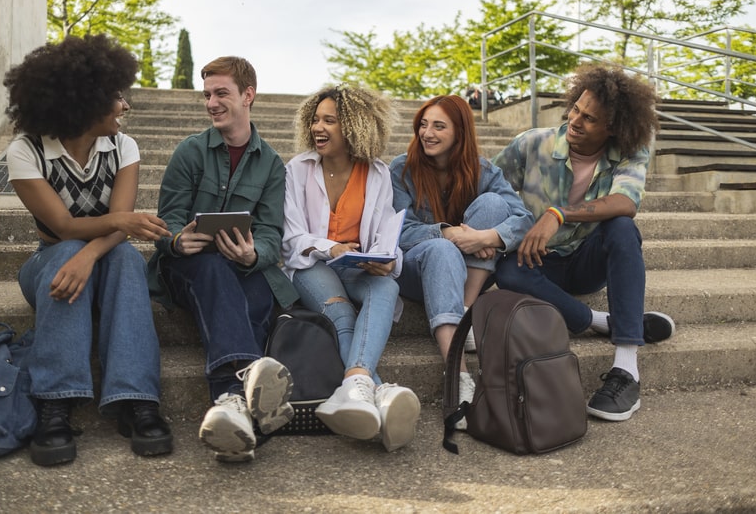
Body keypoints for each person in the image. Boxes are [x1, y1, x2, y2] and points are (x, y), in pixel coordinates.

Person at [3, 34, 173, 466]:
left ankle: (137, 399)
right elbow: (60, 226)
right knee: (64, 253)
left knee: (125, 258)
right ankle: (55, 403)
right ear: (84, 102)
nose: (125, 106)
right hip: (49, 261)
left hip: (104, 259)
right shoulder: (26, 151)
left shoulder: (123, 147)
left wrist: (92, 252)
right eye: (117, 97)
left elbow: (121, 230)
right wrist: (115, 225)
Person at [492, 63, 675, 422]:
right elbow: (487, 188)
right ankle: (604, 321)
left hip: (587, 262)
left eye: (590, 118)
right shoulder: (533, 143)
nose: (575, 120)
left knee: (622, 228)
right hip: (537, 260)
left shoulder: (630, 151)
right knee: (506, 271)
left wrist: (558, 213)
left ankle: (626, 369)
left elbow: (625, 202)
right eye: (576, 108)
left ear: (613, 128)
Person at [147, 56, 298, 463]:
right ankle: (243, 386)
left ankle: (235, 417)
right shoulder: (190, 152)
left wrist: (254, 253)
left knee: (259, 288)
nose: (211, 103)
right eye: (207, 95)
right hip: (190, 267)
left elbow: (270, 234)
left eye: (221, 93)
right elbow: (168, 220)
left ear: (248, 96)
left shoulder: (271, 164)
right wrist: (177, 240)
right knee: (214, 269)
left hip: (242, 268)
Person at [282, 85, 420, 451]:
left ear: (355, 127)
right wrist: (333, 247)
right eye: (315, 119)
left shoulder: (376, 173)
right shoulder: (297, 169)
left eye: (330, 120)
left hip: (358, 266)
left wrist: (386, 257)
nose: (318, 127)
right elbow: (293, 239)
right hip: (311, 264)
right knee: (341, 311)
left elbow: (386, 229)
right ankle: (375, 388)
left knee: (388, 287)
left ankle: (355, 389)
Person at [390, 95, 533, 412]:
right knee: (441, 248)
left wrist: (486, 236)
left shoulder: (484, 170)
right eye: (423, 125)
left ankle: (466, 310)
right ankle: (458, 373)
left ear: (460, 132)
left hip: (467, 276)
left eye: (439, 126)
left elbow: (524, 219)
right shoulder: (401, 169)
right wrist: (447, 232)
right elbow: (397, 231)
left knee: (494, 205)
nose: (428, 133)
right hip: (417, 270)